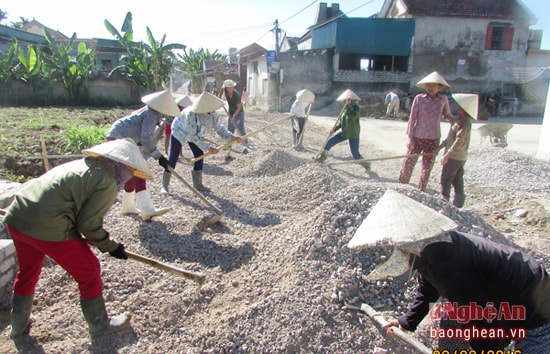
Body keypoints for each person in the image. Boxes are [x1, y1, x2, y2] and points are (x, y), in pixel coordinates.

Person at [347, 190, 550, 353]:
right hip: (495, 298)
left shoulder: (448, 263)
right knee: (453, 321)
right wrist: (407, 322)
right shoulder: (430, 250)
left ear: (408, 242)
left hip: (535, 303)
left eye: (393, 246)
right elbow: (428, 289)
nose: (390, 250)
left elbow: (481, 316)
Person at [3, 139, 153, 345]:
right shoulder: (107, 181)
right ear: (123, 165)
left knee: (28, 271)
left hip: (18, 218)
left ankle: (18, 327)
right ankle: (100, 325)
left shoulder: (82, 165)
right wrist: (111, 247)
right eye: (131, 170)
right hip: (47, 225)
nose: (131, 176)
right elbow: (89, 225)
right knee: (89, 270)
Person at [106, 90, 180, 221]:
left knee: (132, 172)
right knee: (139, 172)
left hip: (123, 138)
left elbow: (147, 142)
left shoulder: (155, 116)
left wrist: (154, 157)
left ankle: (127, 207)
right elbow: (145, 138)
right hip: (120, 138)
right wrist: (159, 156)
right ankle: (147, 210)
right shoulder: (151, 114)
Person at [166, 91, 242, 192]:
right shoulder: (191, 114)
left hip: (195, 134)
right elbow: (191, 136)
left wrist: (231, 137)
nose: (214, 109)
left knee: (199, 154)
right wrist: (208, 148)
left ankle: (197, 184)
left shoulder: (214, 115)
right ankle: (165, 185)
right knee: (173, 157)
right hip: (180, 130)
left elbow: (219, 128)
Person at [398, 71, 454, 192]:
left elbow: (447, 115)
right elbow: (412, 119)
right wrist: (410, 138)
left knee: (427, 167)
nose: (431, 88)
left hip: (433, 138)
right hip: (418, 136)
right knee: (408, 162)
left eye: (434, 85)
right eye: (428, 85)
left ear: (439, 86)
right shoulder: (419, 99)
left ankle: (421, 190)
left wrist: (457, 122)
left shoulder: (443, 99)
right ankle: (401, 187)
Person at [315, 89, 370, 171]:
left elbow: (352, 117)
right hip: (344, 132)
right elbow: (341, 122)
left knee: (355, 154)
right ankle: (322, 158)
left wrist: (349, 107)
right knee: (330, 141)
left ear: (352, 100)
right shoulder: (345, 109)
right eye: (346, 100)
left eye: (348, 100)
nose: (346, 102)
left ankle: (366, 165)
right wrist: (334, 129)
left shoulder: (356, 108)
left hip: (353, 134)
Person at [439, 93, 478, 208]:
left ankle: (444, 203)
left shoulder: (465, 122)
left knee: (446, 180)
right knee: (457, 180)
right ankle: (458, 205)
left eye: (459, 107)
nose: (457, 108)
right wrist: (439, 148)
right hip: (458, 157)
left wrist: (447, 155)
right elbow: (450, 138)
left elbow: (459, 141)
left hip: (455, 157)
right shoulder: (458, 121)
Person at [218, 79, 251, 149]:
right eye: (230, 88)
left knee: (240, 129)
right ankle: (229, 145)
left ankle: (246, 144)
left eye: (232, 87)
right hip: (231, 112)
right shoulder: (226, 91)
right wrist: (219, 98)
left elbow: (238, 108)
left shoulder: (236, 95)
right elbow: (222, 89)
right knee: (230, 129)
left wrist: (234, 116)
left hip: (239, 113)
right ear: (227, 88)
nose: (232, 89)